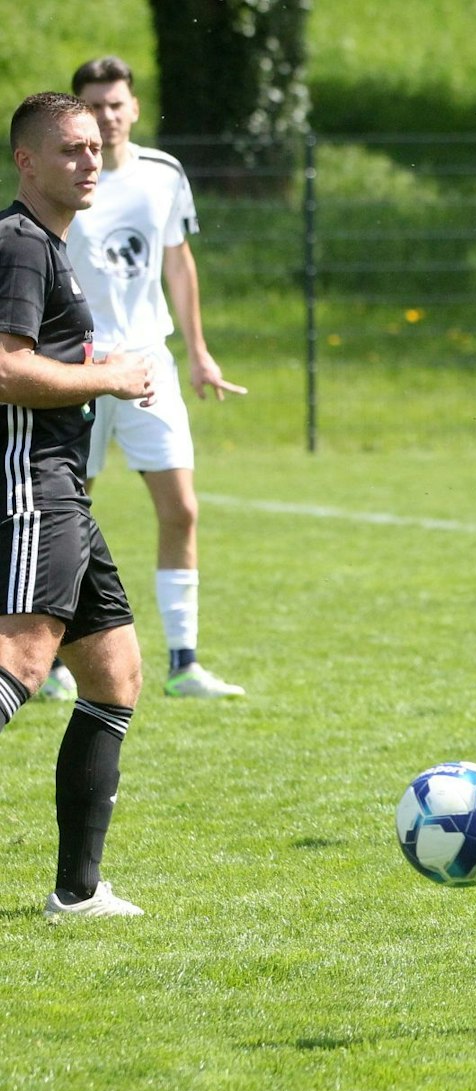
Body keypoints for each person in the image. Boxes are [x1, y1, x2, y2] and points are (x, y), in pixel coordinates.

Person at [1, 92, 159, 920]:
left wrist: (88, 358)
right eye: (70, 149)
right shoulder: (21, 244)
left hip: (64, 485)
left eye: (95, 147)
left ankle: (78, 890)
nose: (90, 160)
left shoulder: (49, 248)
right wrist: (108, 376)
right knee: (24, 663)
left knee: (115, 673)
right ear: (26, 161)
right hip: (33, 482)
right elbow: (3, 368)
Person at [48, 55, 248, 703]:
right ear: (76, 114)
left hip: (147, 364)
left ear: (134, 107)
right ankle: (50, 657)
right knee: (65, 512)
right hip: (77, 368)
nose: (106, 117)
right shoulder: (62, 177)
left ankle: (184, 662)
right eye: (93, 106)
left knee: (181, 508)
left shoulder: (163, 174)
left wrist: (199, 352)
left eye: (115, 104)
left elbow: (178, 261)